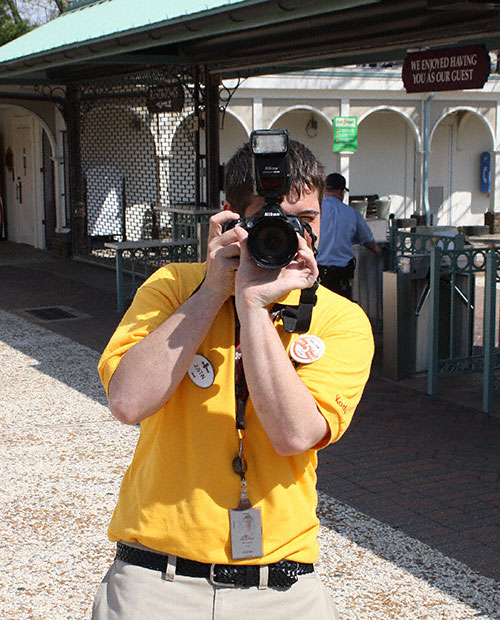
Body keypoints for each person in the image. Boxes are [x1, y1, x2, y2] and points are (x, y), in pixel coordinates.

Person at [92, 137, 374, 620]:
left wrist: (253, 307)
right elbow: (127, 402)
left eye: (305, 221)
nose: (289, 237)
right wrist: (211, 293)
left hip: (282, 587)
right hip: (155, 581)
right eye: (269, 222)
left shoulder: (339, 319)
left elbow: (294, 434)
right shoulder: (174, 287)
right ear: (230, 220)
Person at [316, 172, 380, 300]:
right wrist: (379, 251)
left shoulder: (316, 211)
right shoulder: (352, 213)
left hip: (317, 272)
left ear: (325, 190)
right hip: (341, 275)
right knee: (341, 311)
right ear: (341, 192)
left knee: (319, 308)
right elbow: (368, 241)